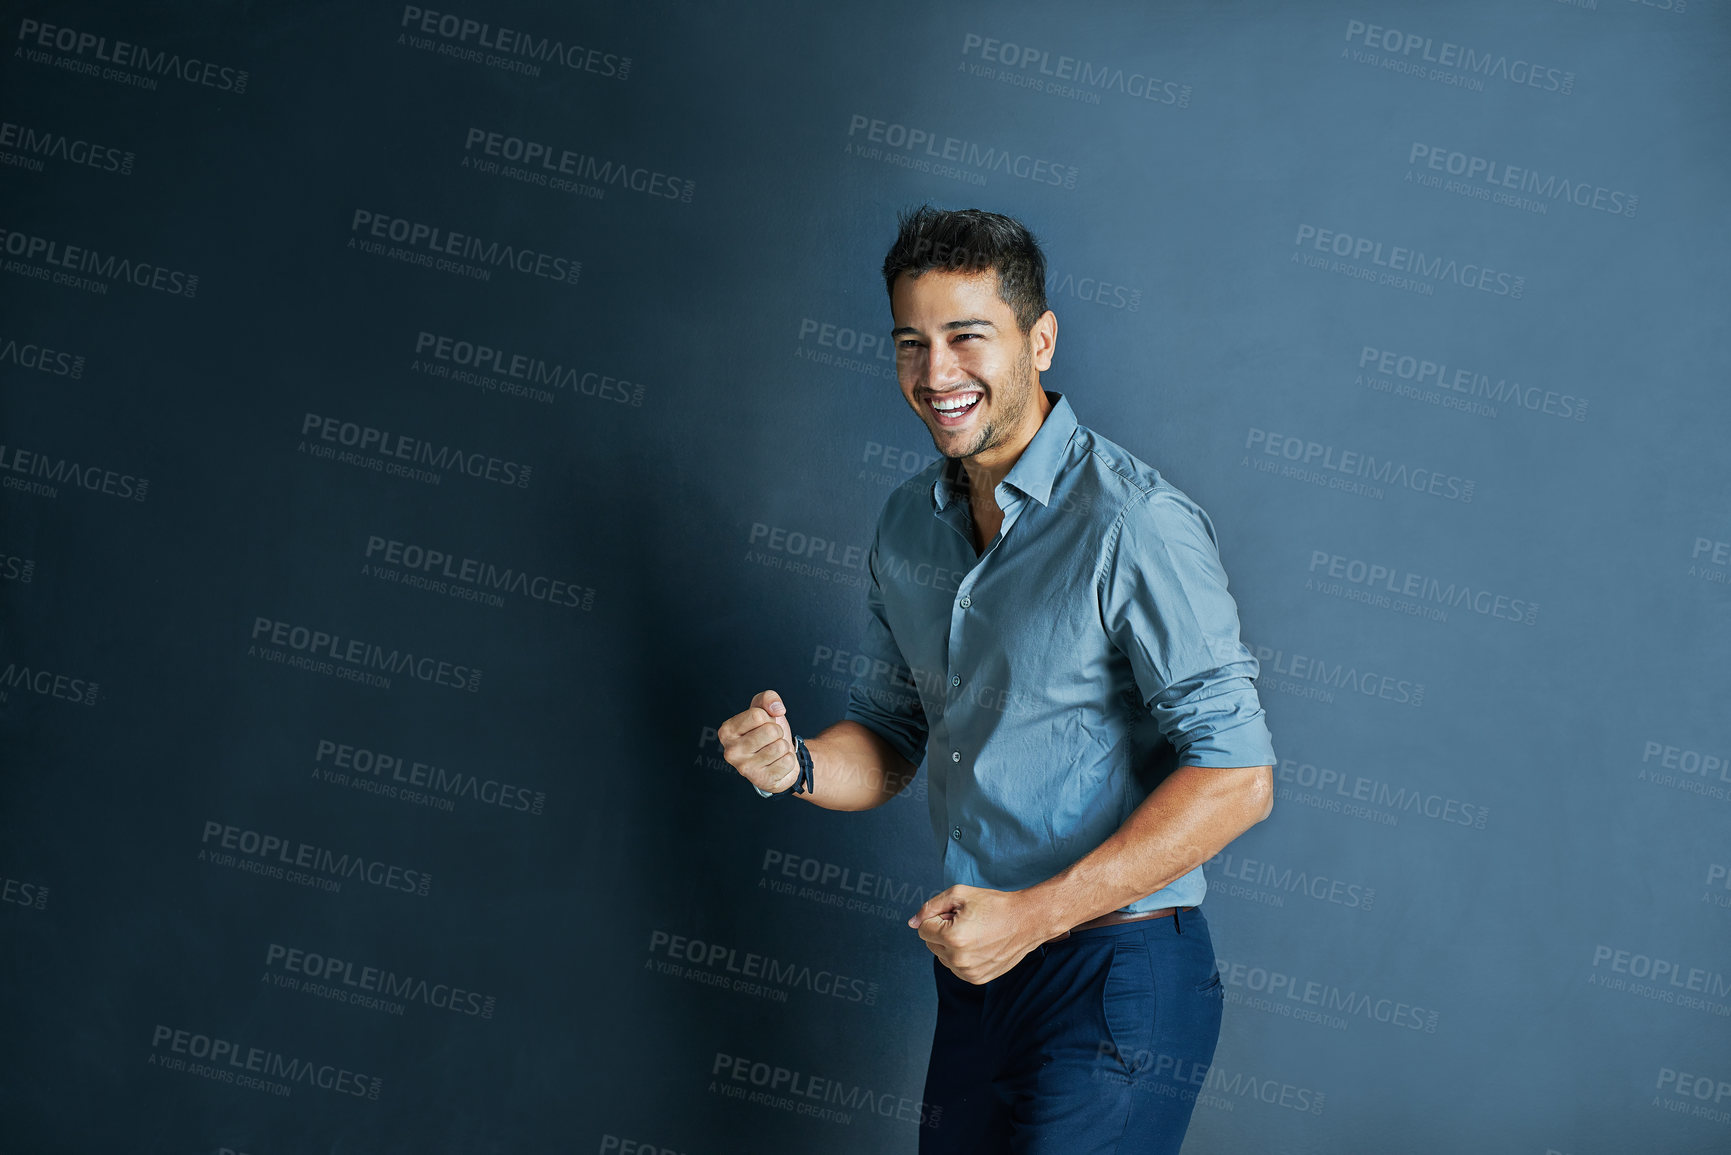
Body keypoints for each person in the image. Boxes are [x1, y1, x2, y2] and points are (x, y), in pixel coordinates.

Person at [717, 206, 1276, 1154]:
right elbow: (890, 735)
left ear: (1040, 339)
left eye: (967, 337)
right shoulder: (906, 522)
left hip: (1120, 970)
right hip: (979, 972)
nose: (936, 374)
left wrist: (1035, 915)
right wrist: (796, 765)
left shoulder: (1134, 523)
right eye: (911, 342)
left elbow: (1239, 775)